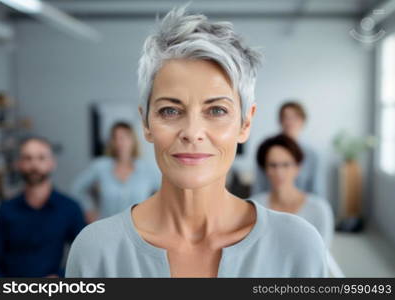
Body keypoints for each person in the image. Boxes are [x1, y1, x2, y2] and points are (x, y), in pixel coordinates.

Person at [65, 6, 326, 278]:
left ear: (245, 123)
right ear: (145, 123)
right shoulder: (95, 250)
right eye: (170, 110)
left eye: (216, 111)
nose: (192, 132)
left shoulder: (298, 245)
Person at [0, 137, 86, 277]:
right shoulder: (6, 209)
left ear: (52, 163)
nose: (34, 164)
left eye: (41, 158)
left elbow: (85, 256)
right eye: (27, 158)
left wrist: (60, 277)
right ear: (19, 164)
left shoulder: (70, 209)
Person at [251, 134, 334, 247]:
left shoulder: (319, 209)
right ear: (265, 169)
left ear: (298, 168)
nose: (279, 172)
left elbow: (321, 254)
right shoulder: (253, 208)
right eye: (273, 165)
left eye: (286, 165)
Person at [71, 121, 160, 222]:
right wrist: (88, 210)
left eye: (124, 137)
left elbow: (168, 195)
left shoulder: (148, 169)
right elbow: (77, 188)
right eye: (115, 138)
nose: (120, 142)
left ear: (133, 140)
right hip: (106, 229)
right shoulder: (100, 166)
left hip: (138, 231)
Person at [251, 101, 323, 196]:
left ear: (303, 121)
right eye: (286, 118)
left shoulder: (312, 155)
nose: (289, 122)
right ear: (280, 121)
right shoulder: (267, 149)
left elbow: (315, 190)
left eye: (295, 118)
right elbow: (259, 186)